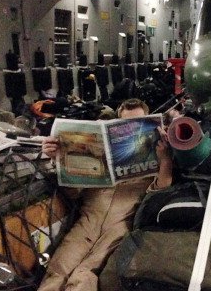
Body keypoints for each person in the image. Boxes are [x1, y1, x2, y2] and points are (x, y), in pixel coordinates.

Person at [38, 98, 173, 291]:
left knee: (84, 275)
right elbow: (73, 192)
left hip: (120, 226)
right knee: (58, 268)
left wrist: (165, 158)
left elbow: (161, 191)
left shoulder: (155, 162)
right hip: (88, 220)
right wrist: (57, 158)